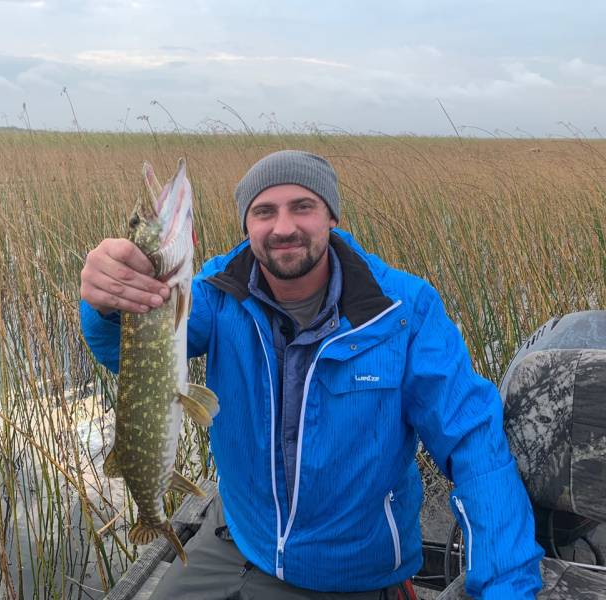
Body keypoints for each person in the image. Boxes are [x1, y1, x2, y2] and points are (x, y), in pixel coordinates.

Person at [79, 151, 544, 599]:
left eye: (302, 207)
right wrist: (106, 303)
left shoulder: (404, 311)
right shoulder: (218, 292)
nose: (283, 227)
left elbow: (475, 448)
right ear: (247, 225)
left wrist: (506, 587)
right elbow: (127, 354)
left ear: (331, 217)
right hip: (233, 541)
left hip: (345, 576)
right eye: (264, 211)